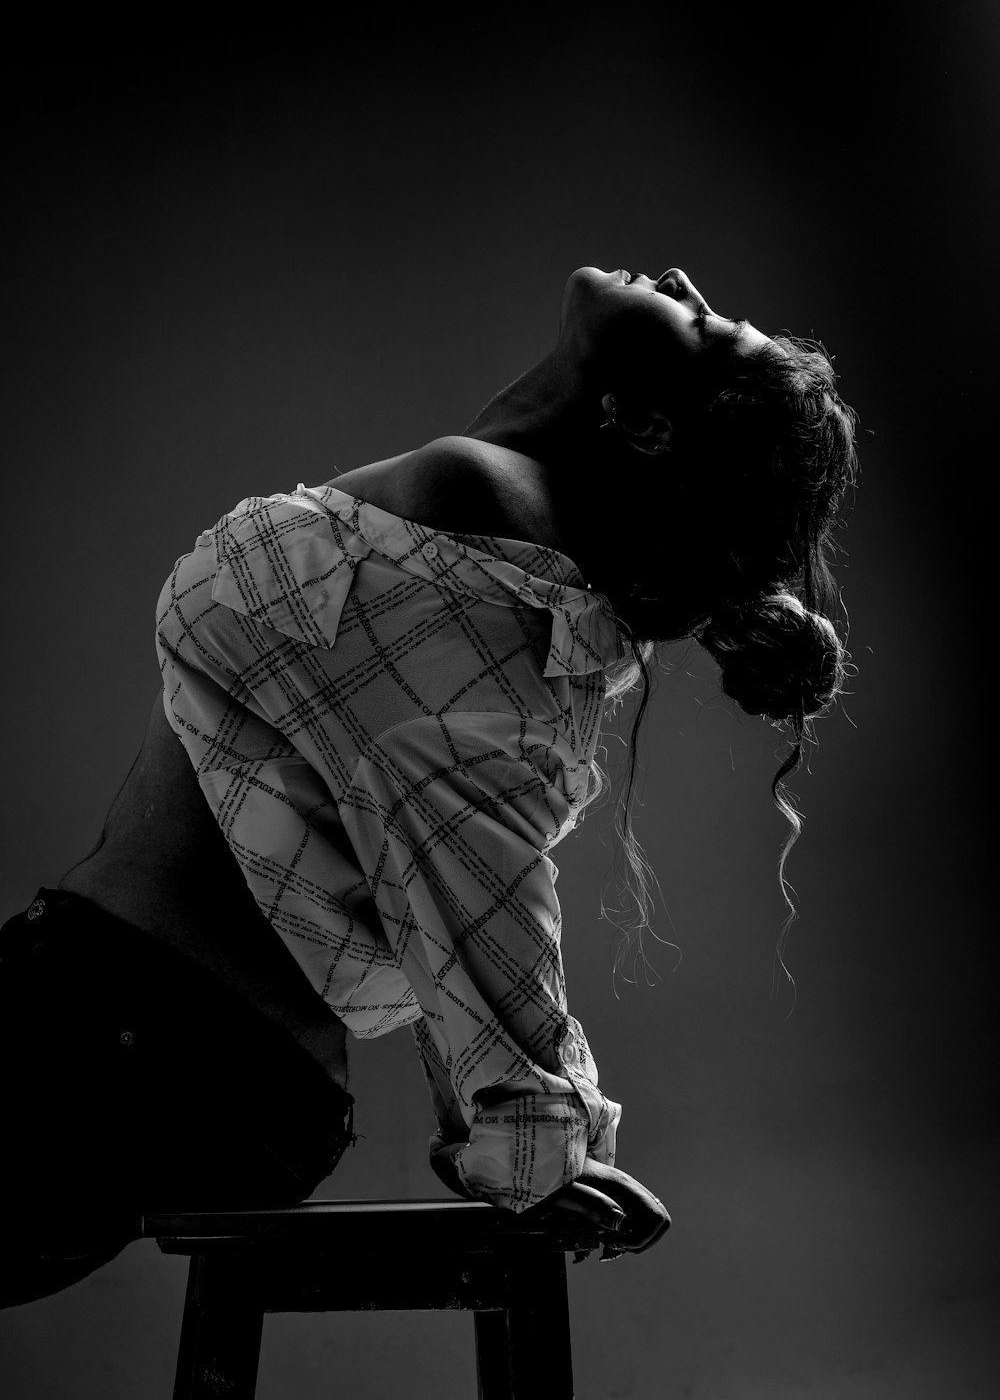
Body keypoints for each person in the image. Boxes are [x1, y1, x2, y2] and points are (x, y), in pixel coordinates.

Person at [0, 265, 856, 1307]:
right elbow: (442, 815)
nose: (683, 283)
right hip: (138, 1040)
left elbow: (464, 834)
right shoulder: (496, 537)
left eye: (706, 327)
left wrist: (532, 1134)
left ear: (641, 424)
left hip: (133, 1048)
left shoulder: (478, 511)